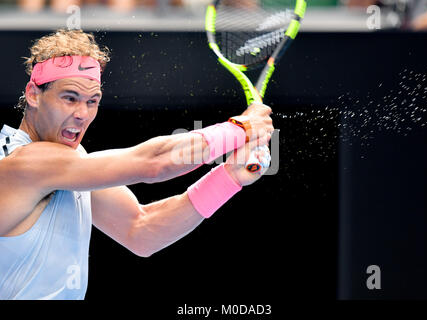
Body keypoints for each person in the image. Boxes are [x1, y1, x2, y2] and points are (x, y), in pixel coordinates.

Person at [0, 29, 274, 299]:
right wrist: (241, 128)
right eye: (69, 98)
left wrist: (229, 177)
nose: (82, 114)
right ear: (34, 94)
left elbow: (142, 230)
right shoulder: (23, 162)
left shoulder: (71, 165)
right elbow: (154, 163)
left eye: (92, 101)